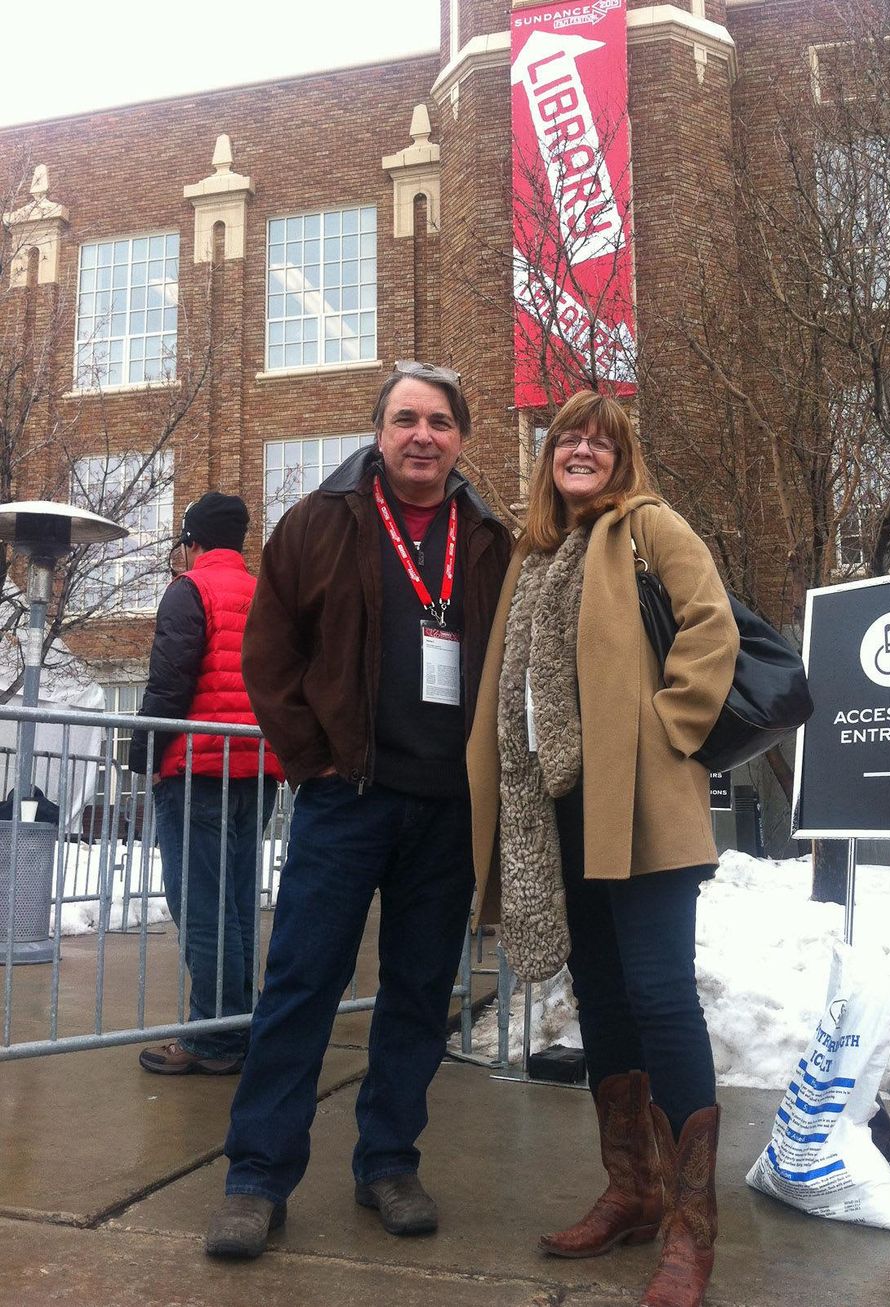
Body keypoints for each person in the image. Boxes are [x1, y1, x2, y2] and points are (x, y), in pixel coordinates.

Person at [205, 361, 512, 1259]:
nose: (423, 435)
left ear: (462, 437)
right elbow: (270, 657)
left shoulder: (491, 537)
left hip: (450, 806)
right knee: (301, 984)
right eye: (406, 419)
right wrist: (317, 765)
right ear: (378, 432)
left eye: (440, 422)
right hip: (349, 800)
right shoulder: (319, 523)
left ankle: (388, 1159)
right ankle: (256, 1176)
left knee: (419, 993)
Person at [467, 391, 738, 1307]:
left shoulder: (650, 527)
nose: (581, 448)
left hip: (646, 805)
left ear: (622, 458)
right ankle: (634, 1186)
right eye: (567, 438)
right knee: (606, 1001)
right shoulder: (533, 557)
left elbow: (711, 628)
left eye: (600, 438)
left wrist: (668, 728)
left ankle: (689, 1232)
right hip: (563, 813)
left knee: (661, 995)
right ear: (548, 459)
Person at [130, 493, 284, 1076]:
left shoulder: (189, 590)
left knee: (200, 903)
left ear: (193, 541)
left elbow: (168, 682)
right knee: (237, 902)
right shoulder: (265, 593)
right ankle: (239, 1026)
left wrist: (142, 752)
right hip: (257, 767)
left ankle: (215, 1034)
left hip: (196, 770)